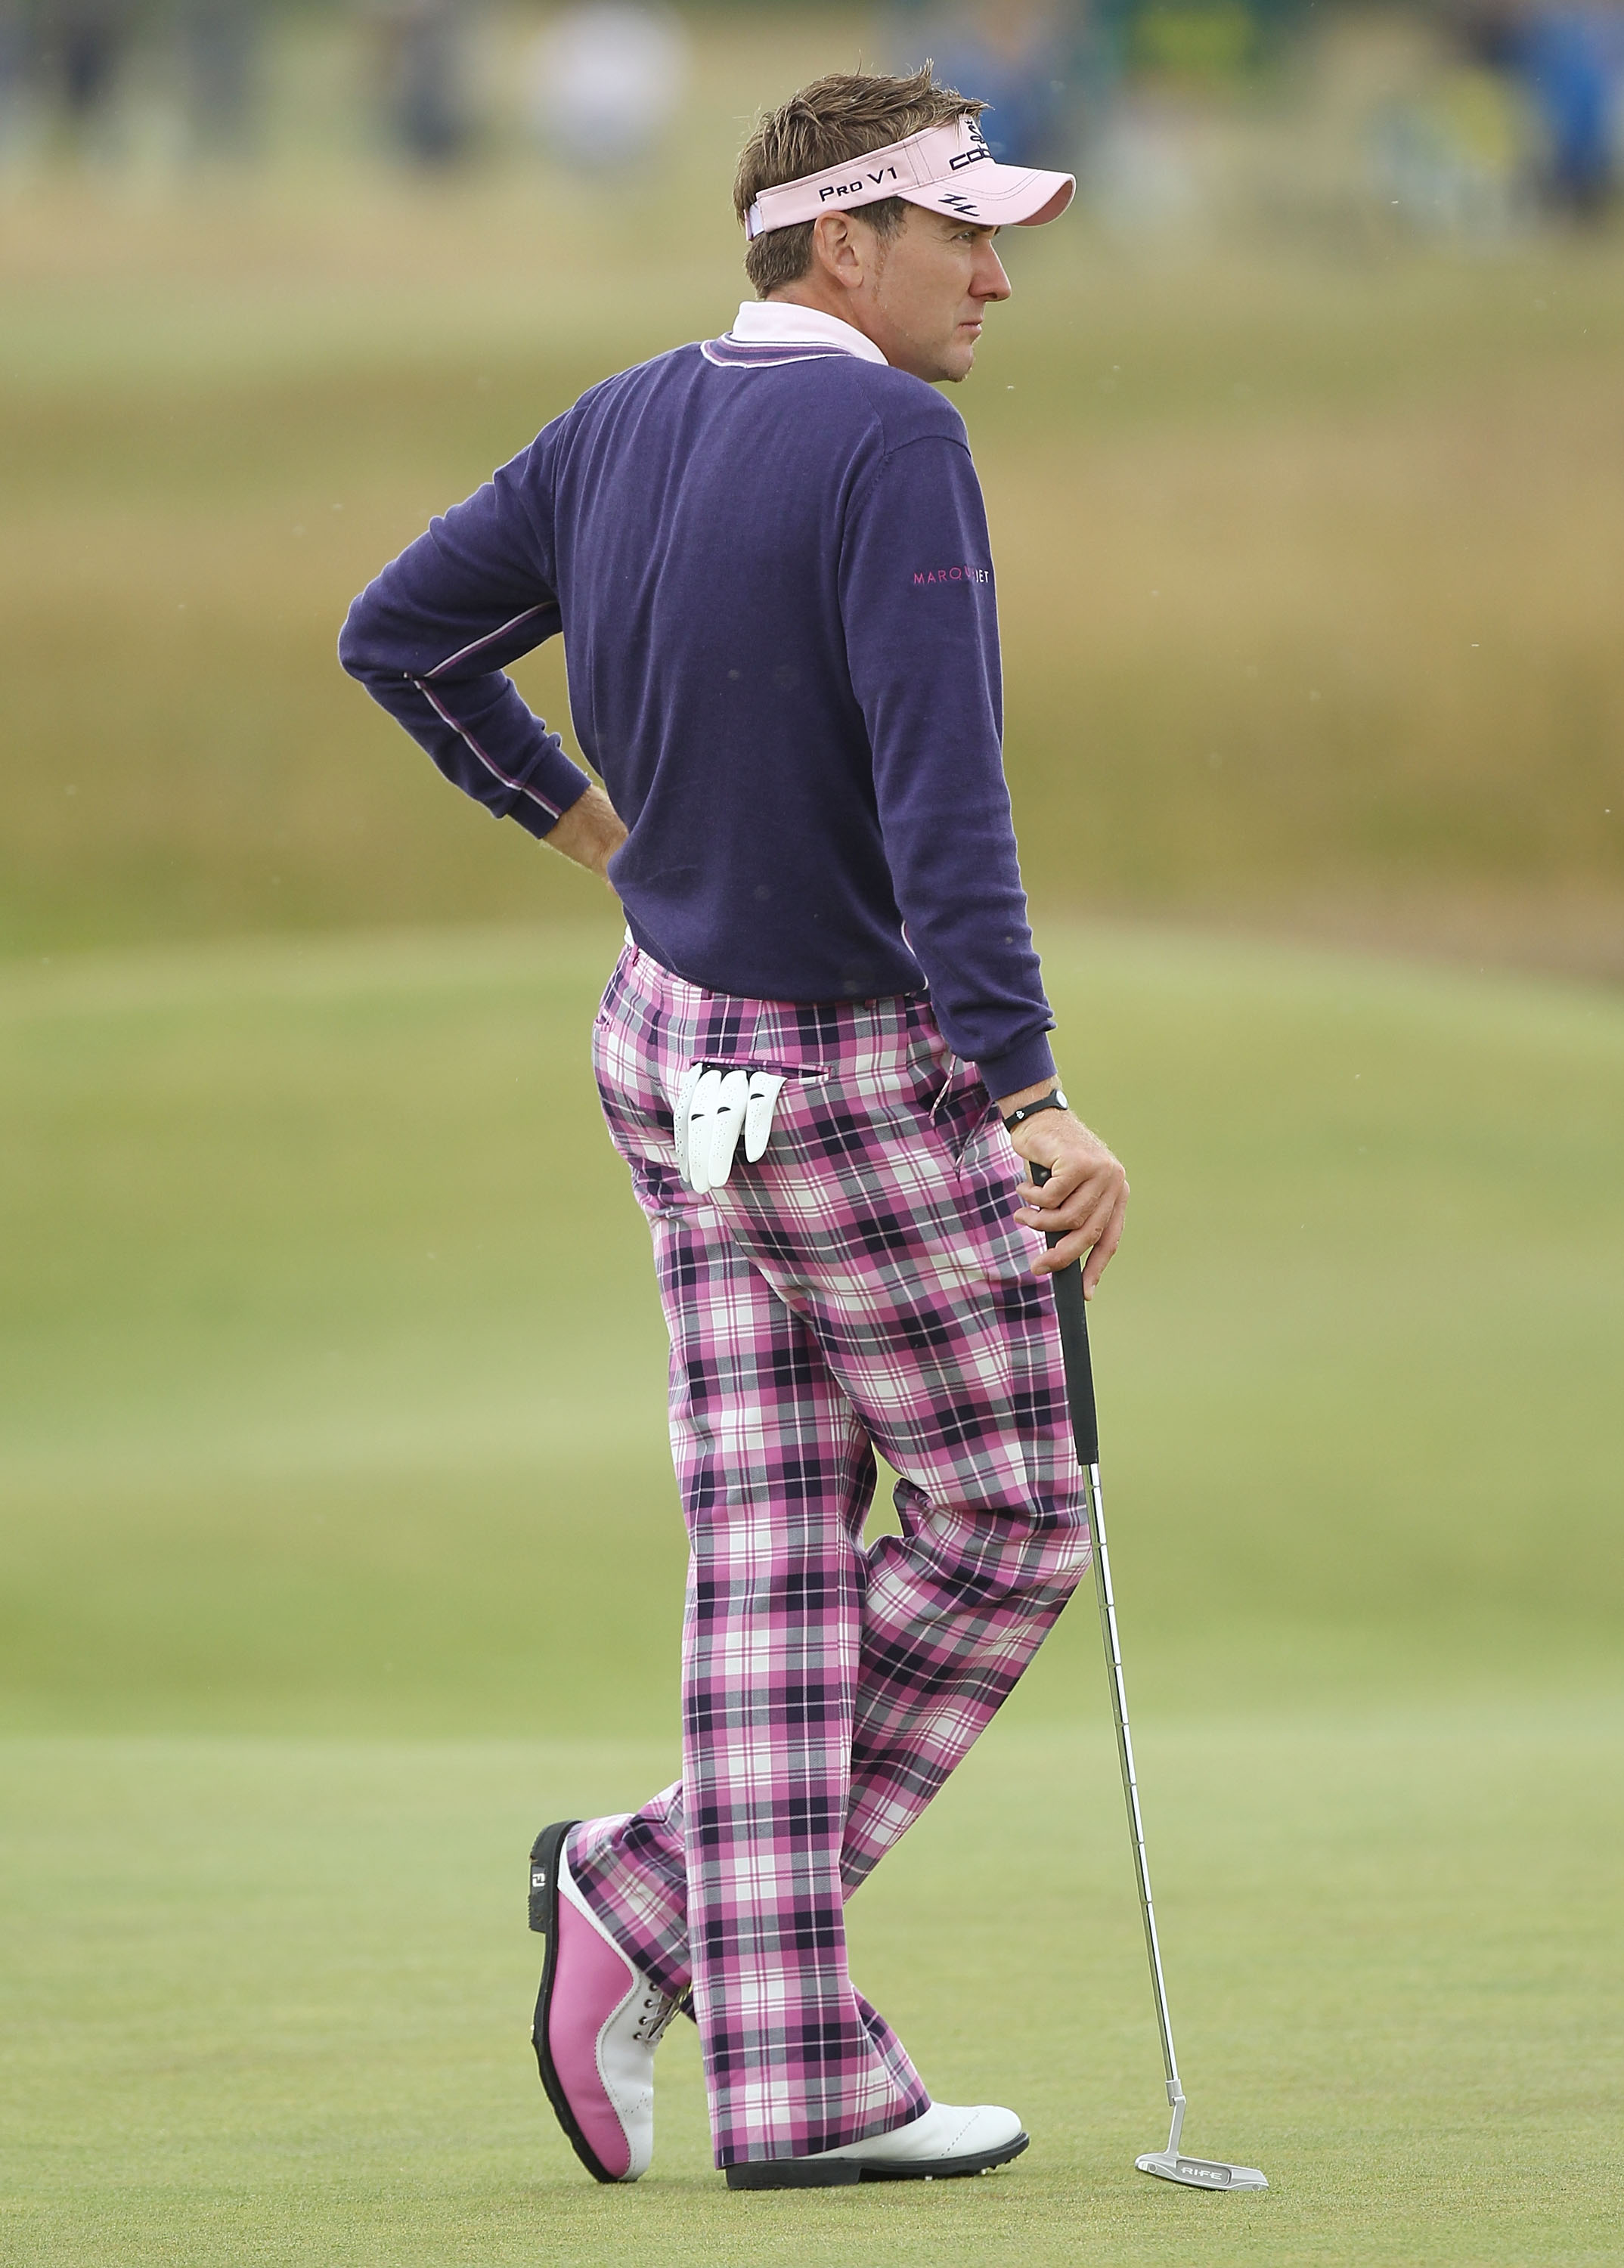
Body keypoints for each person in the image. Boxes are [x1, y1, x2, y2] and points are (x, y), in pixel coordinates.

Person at [339, 65, 1129, 2191]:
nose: (992, 271)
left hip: (668, 1041)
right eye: (958, 230)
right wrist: (1034, 1091)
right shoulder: (890, 435)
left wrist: (606, 842)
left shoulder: (622, 416)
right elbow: (940, 795)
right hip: (849, 1064)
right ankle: (665, 1899)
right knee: (1004, 1521)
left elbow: (397, 638)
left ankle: (791, 2083)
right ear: (836, 241)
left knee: (777, 1560)